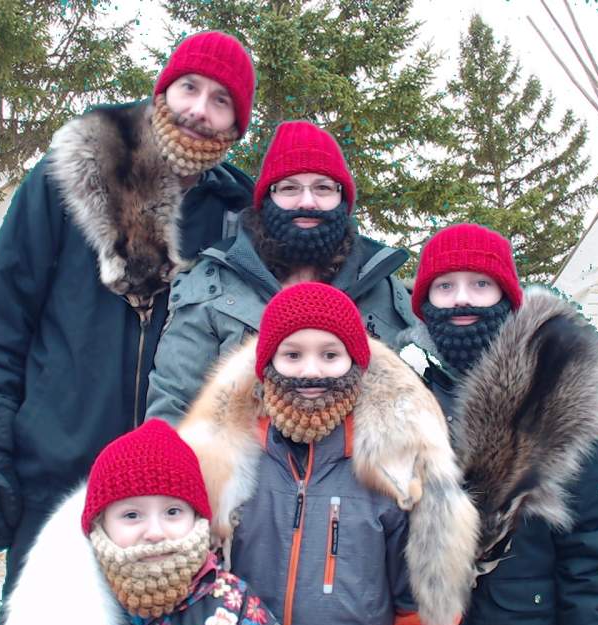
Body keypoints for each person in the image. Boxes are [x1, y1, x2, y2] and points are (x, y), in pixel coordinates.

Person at [0, 31, 257, 625]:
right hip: (60, 468)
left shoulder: (239, 217)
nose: (199, 108)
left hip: (178, 498)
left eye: (221, 100)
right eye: (189, 88)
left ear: (237, 125)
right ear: (162, 90)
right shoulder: (71, 177)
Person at [176, 282, 479, 625]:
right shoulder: (230, 461)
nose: (311, 371)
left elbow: (423, 613)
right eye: (293, 355)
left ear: (355, 363)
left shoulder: (394, 468)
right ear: (267, 364)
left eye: (330, 355)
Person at [398, 223, 598, 625]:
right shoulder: (403, 394)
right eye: (445, 286)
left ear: (507, 296)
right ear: (424, 304)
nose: (462, 298)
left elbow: (588, 548)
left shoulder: (557, 392)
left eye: (481, 284)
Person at [145, 120, 415, 424]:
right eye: (289, 188)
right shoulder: (212, 283)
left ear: (343, 198)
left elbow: (414, 402)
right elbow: (174, 403)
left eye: (323, 188)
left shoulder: (383, 289)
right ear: (267, 199)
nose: (307, 202)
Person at [0, 419, 298, 625]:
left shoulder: (234, 605)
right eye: (131, 515)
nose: (154, 532)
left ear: (197, 518)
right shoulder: (62, 605)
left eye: (172, 512)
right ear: (100, 524)